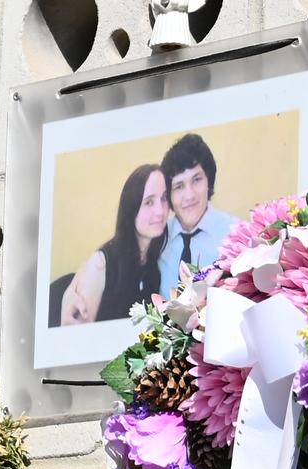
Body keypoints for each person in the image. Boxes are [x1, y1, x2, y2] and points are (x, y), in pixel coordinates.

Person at [60, 164, 168, 326]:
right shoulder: (102, 264)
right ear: (131, 208)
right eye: (149, 202)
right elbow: (75, 339)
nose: (160, 211)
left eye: (164, 198)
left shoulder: (152, 266)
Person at [155, 133, 239, 292]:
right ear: (169, 195)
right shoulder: (157, 240)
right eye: (179, 186)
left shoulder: (236, 234)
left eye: (196, 180)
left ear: (209, 180)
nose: (189, 195)